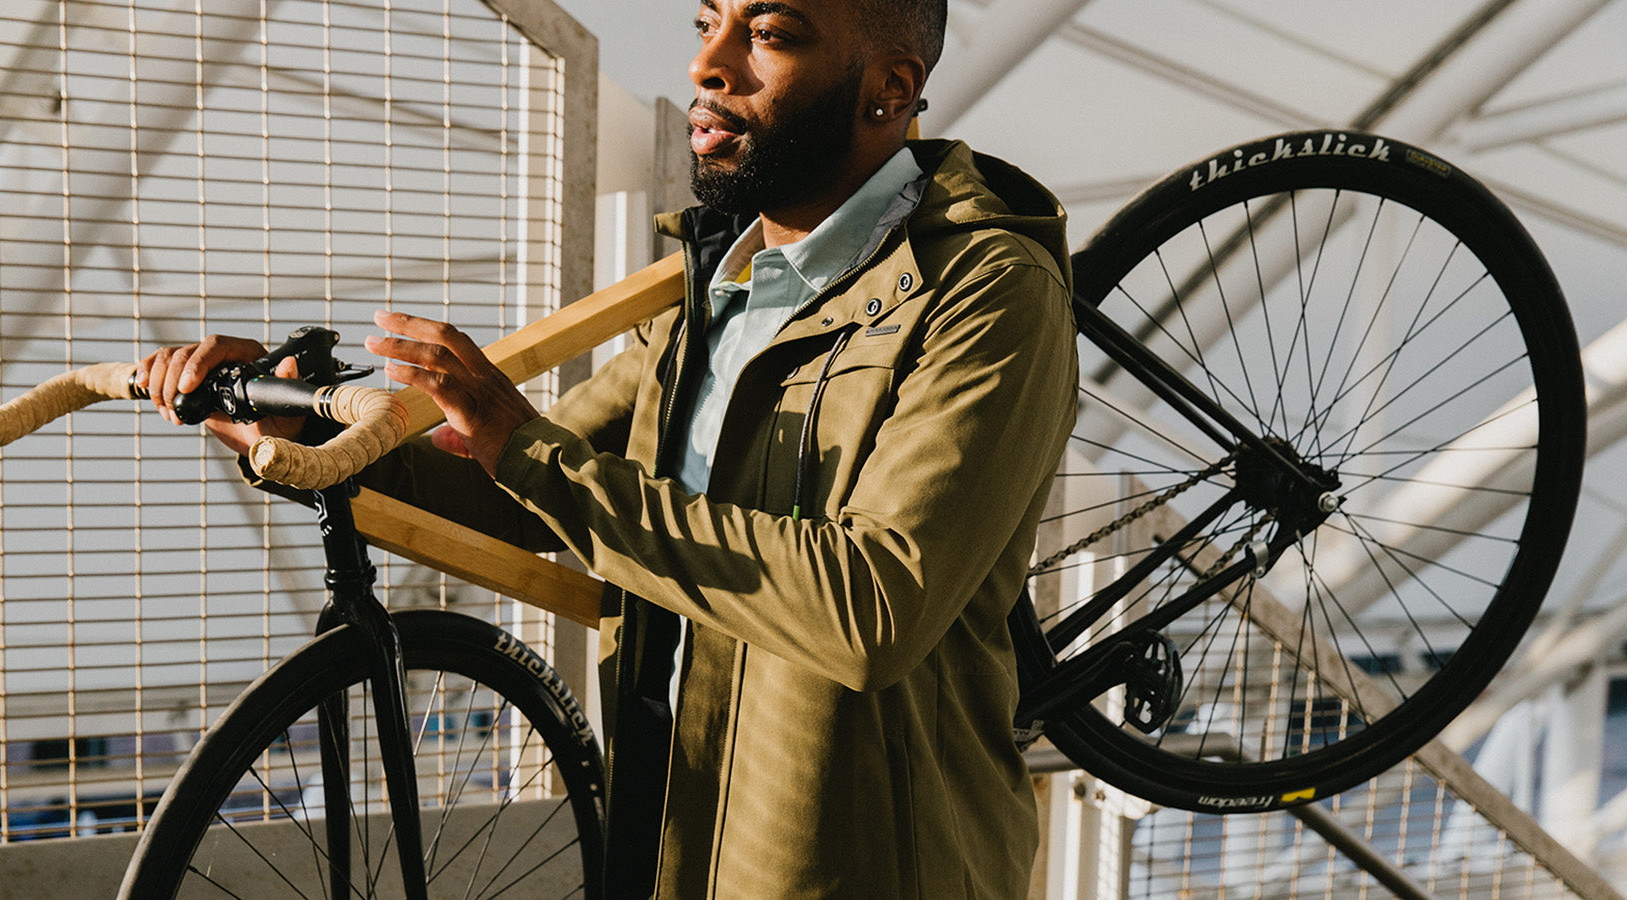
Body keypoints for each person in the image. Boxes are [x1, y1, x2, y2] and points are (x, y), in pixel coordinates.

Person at [139, 0, 1077, 895]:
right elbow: (521, 494)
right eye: (707, 23)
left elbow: (870, 607)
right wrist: (311, 438)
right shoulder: (718, 287)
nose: (707, 64)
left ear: (889, 87)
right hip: (669, 848)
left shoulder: (989, 292)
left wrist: (529, 450)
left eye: (770, 33)